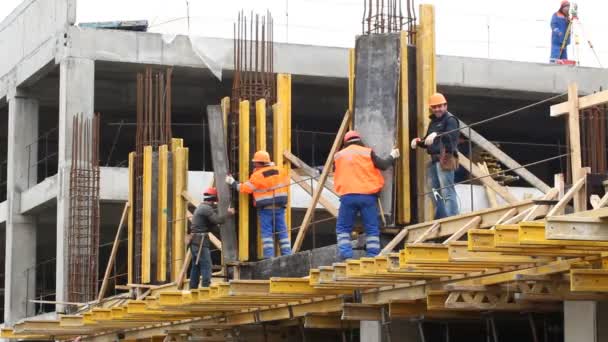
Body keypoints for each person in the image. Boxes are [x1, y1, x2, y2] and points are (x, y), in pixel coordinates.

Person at [333, 130, 400, 260]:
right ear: (359, 139)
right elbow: (384, 165)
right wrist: (392, 156)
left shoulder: (338, 156)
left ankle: (346, 256)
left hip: (348, 196)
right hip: (367, 196)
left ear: (345, 142)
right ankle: (372, 257)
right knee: (371, 228)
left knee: (343, 228)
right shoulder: (367, 152)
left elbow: (337, 172)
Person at [225, 151, 292, 259]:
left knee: (267, 235)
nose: (254, 164)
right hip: (279, 208)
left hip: (266, 210)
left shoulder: (257, 176)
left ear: (260, 163)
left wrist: (232, 182)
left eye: (255, 163)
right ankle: (288, 256)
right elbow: (287, 183)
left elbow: (244, 189)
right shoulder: (281, 171)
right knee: (283, 234)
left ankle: (269, 259)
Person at [410, 92, 460, 219]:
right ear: (431, 108)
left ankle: (451, 219)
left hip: (445, 158)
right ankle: (441, 219)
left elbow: (451, 137)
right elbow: (428, 141)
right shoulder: (433, 122)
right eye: (435, 107)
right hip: (433, 160)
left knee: (447, 192)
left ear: (445, 106)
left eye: (440, 106)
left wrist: (437, 134)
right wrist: (419, 142)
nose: (437, 109)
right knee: (435, 193)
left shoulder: (451, 120)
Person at [187, 187, 234, 289]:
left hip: (195, 241)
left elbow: (211, 226)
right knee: (206, 265)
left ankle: (193, 287)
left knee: (196, 265)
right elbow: (217, 220)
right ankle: (205, 287)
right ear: (213, 200)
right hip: (200, 241)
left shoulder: (201, 207)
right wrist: (229, 214)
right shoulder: (206, 209)